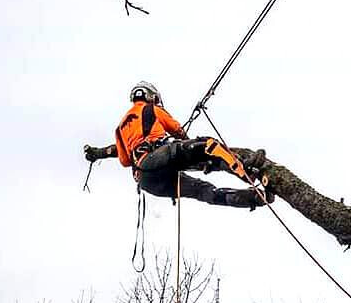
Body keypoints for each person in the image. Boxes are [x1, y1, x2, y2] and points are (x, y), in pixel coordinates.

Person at [83, 81, 272, 210]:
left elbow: (124, 160)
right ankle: (248, 172)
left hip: (146, 180)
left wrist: (97, 153)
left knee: (203, 191)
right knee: (209, 146)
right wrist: (192, 150)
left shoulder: (120, 129)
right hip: (158, 156)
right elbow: (177, 131)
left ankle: (253, 199)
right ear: (150, 96)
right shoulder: (152, 109)